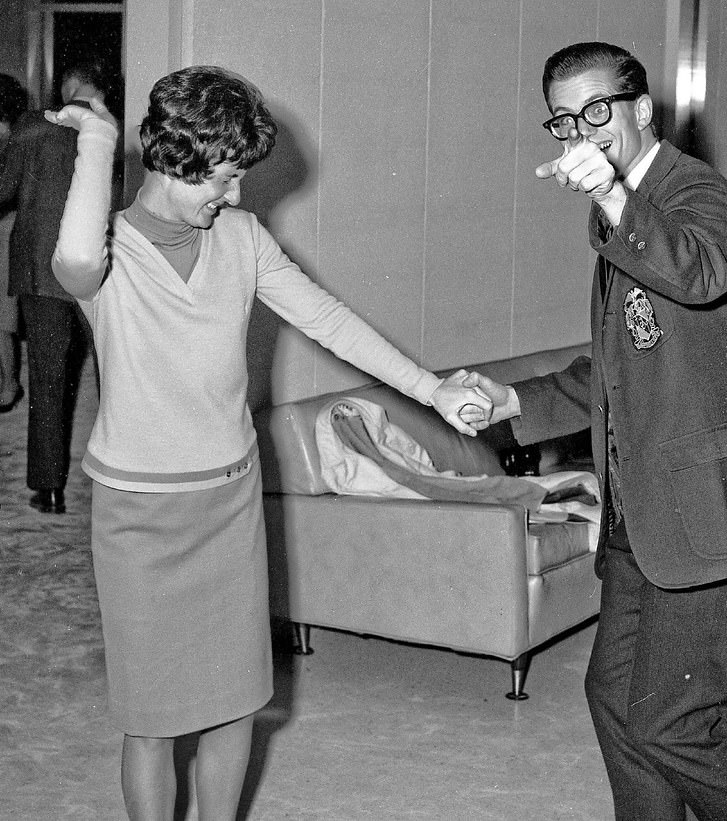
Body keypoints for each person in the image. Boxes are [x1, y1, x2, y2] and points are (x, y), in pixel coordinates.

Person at [47, 66, 490, 820]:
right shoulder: (108, 253)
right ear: (170, 159)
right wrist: (98, 142)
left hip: (229, 500)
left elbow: (330, 320)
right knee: (151, 719)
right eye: (222, 178)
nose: (236, 195)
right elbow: (76, 263)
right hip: (139, 514)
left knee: (235, 702)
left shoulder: (243, 239)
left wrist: (433, 388)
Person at [465, 42, 727, 821]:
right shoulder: (623, 209)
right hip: (641, 511)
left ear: (641, 110)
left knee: (671, 723)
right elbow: (620, 364)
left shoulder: (693, 193)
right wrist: (509, 400)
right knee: (615, 698)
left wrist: (617, 202)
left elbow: (700, 268)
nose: (580, 133)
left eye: (597, 111)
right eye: (563, 120)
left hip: (711, 512)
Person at [0, 58, 116, 513]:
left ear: (67, 84)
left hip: (41, 270)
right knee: (113, 375)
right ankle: (117, 481)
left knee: (47, 379)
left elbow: (3, 189)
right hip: (100, 269)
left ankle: (49, 490)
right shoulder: (114, 129)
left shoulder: (33, 128)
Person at [0, 73, 28, 412]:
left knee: (3, 316)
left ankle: (8, 384)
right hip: (10, 226)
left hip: (4, 228)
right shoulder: (17, 134)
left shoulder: (8, 138)